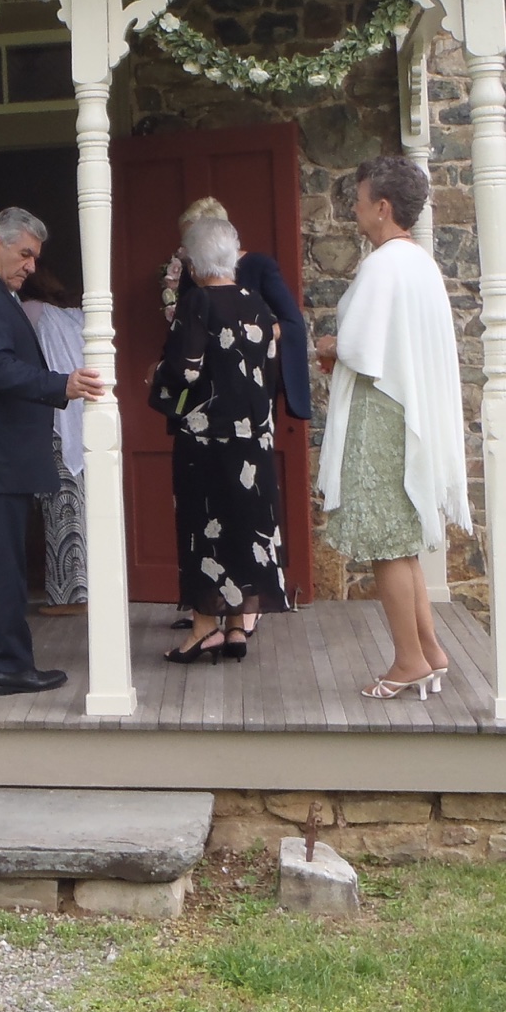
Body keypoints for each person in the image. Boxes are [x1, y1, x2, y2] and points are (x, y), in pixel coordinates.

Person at [316, 155, 472, 701]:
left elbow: (359, 346)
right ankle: (429, 651)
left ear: (382, 208)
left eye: (359, 202)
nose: (354, 211)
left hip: (383, 414)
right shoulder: (421, 263)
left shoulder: (383, 264)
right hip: (406, 412)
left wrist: (331, 345)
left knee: (387, 544)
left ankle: (407, 659)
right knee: (402, 544)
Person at [0, 208, 104, 697]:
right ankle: (8, 664)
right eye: (24, 253)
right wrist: (61, 384)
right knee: (1, 563)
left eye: (35, 257)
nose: (31, 265)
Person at [160, 196, 311, 626]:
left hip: (232, 412)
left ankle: (242, 614)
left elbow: (290, 323)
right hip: (222, 412)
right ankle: (219, 614)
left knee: (227, 514)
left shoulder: (257, 274)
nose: (183, 251)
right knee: (229, 513)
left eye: (189, 241)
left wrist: (245, 339)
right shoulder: (198, 286)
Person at [20, 266, 88, 617]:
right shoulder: (76, 316)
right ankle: (84, 589)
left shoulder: (31, 311)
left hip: (56, 418)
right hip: (83, 416)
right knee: (76, 502)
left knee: (60, 504)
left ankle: (70, 596)